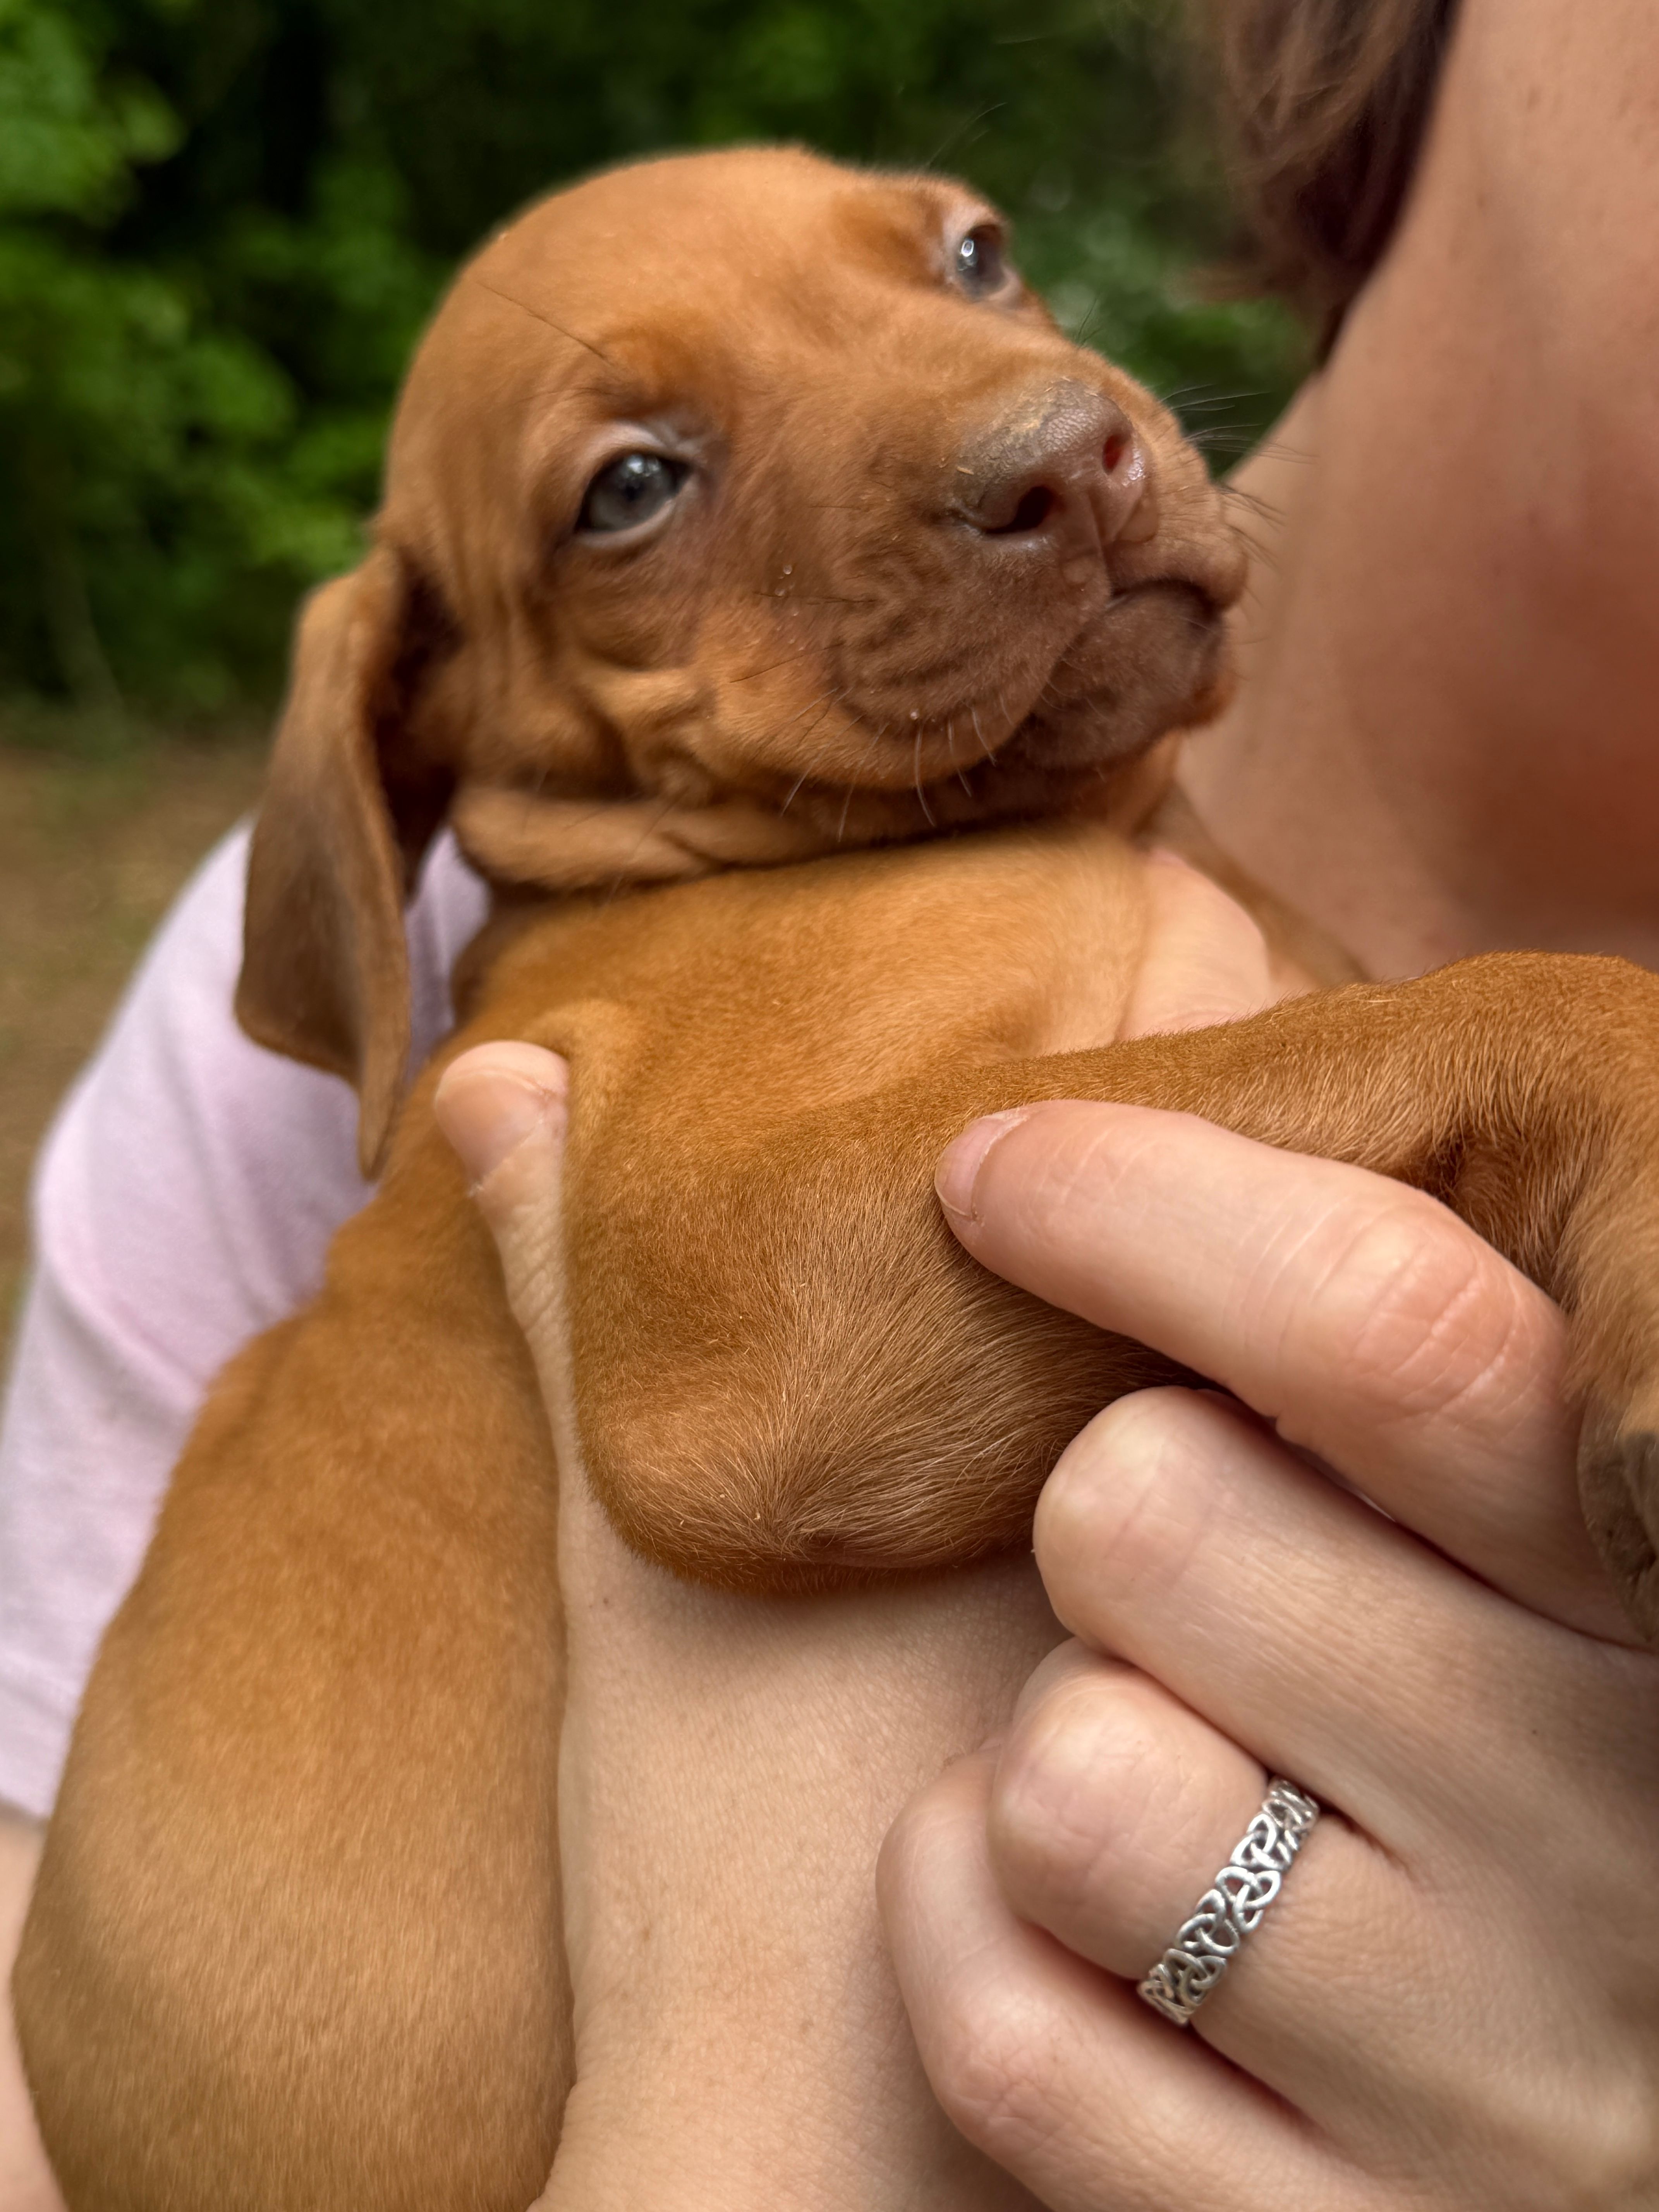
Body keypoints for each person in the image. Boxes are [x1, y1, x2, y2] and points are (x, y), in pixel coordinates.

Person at [3, 0, 1658, 2200]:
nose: (1026, 429)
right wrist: (1560, 1101)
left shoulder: (1089, 883)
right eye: (636, 491)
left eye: (969, 265)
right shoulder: (606, 1001)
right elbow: (753, 1398)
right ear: (432, 743)